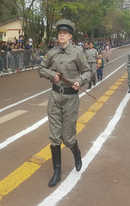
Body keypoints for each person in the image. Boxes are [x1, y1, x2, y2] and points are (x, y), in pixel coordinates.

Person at [38, 19, 91, 188]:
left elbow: (88, 71)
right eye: (59, 33)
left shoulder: (77, 52)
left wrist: (80, 81)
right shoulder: (52, 53)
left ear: (70, 36)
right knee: (54, 137)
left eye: (64, 33)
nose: (61, 35)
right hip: (55, 97)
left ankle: (76, 153)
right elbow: (41, 68)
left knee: (68, 138)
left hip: (70, 99)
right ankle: (57, 172)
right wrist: (51, 74)